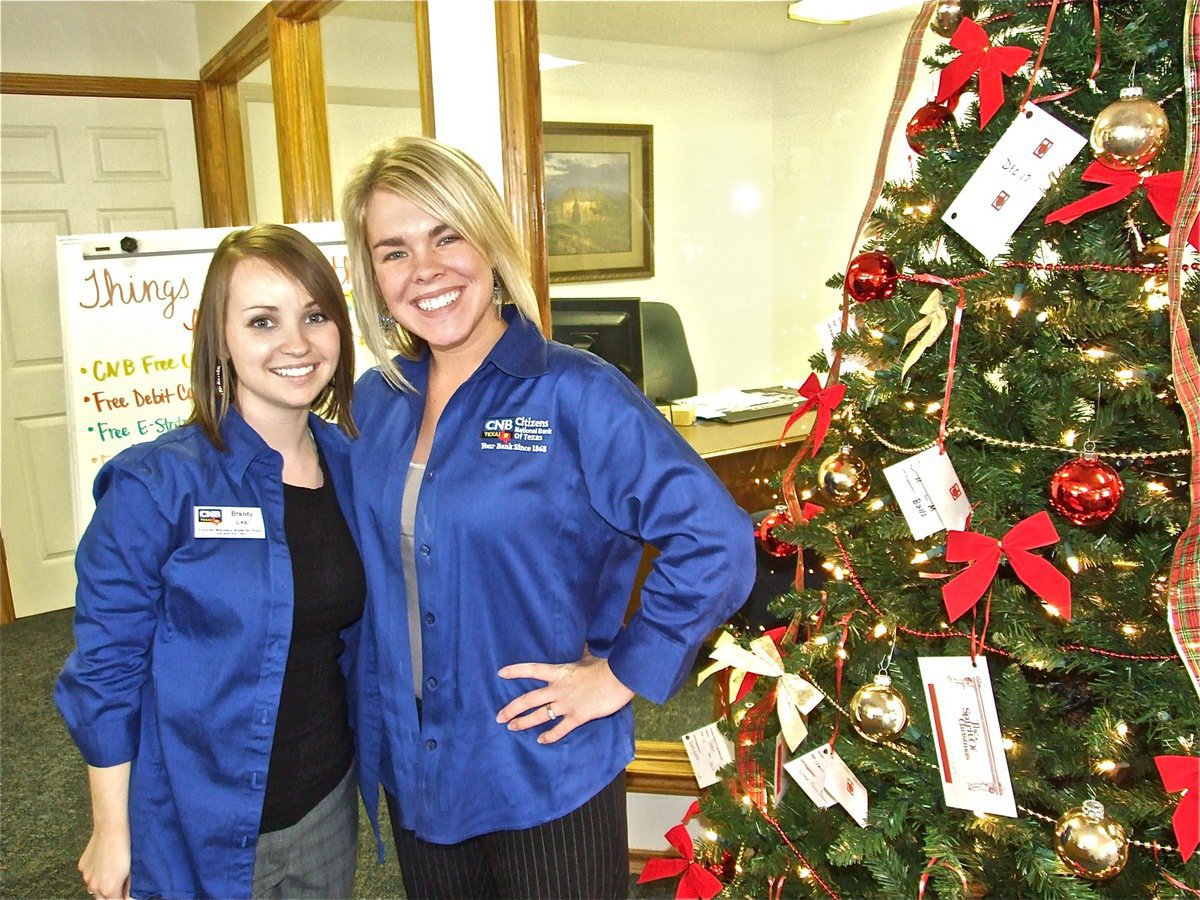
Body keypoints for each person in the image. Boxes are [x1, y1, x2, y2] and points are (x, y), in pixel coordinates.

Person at [341, 135, 756, 898]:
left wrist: (623, 673)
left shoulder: (577, 394)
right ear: (372, 275)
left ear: (490, 245)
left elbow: (717, 540)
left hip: (538, 763)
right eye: (393, 250)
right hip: (419, 769)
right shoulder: (377, 402)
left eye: (446, 235)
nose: (425, 270)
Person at [55, 224, 365, 900]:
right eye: (262, 321)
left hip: (324, 802)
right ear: (218, 340)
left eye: (315, 316)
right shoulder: (154, 486)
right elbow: (107, 667)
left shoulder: (351, 467)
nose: (297, 343)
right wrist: (112, 828)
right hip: (194, 814)